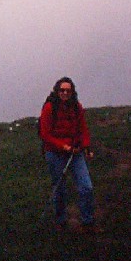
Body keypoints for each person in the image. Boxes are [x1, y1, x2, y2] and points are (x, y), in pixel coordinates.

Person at [39, 76, 95, 232]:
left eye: (68, 91)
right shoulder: (50, 108)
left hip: (75, 152)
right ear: (57, 91)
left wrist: (86, 147)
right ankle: (61, 220)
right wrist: (63, 146)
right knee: (60, 189)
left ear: (72, 92)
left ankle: (87, 221)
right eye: (62, 90)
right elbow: (45, 134)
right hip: (55, 153)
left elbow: (83, 129)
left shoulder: (77, 107)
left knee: (86, 187)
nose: (65, 93)